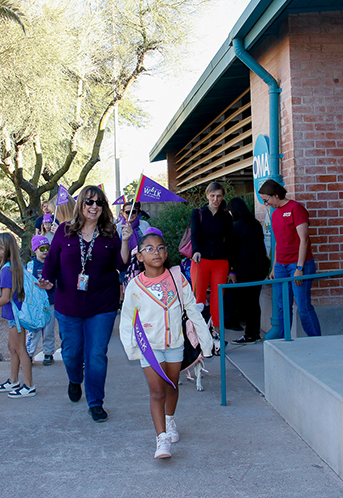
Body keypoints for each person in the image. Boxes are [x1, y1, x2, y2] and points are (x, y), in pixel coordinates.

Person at [39, 185, 131, 423]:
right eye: (89, 202)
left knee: (96, 354)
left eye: (99, 203)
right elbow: (51, 263)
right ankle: (74, 378)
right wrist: (47, 280)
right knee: (71, 353)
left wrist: (126, 241)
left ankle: (95, 402)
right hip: (68, 304)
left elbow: (122, 265)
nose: (94, 207)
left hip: (102, 304)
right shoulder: (64, 231)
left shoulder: (110, 233)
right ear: (80, 205)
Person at [119, 232, 213, 459]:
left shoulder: (178, 278)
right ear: (139, 256)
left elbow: (192, 310)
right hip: (149, 347)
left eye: (160, 248)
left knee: (172, 386)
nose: (156, 252)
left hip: (175, 345)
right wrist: (132, 348)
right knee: (157, 391)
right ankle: (161, 438)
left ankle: (169, 421)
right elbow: (127, 320)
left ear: (166, 252)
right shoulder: (135, 286)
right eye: (149, 249)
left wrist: (206, 342)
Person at [258, 179, 320, 339]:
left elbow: (303, 240)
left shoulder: (296, 209)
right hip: (281, 266)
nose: (266, 204)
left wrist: (299, 268)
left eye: (266, 200)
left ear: (276, 195)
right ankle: (285, 341)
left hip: (298, 265)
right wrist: (274, 267)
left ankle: (316, 340)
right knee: (283, 306)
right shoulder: (275, 213)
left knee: (303, 305)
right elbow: (278, 241)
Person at [0, 233, 36, 398]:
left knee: (19, 348)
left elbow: (5, 297)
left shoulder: (6, 270)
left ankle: (29, 385)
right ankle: (13, 380)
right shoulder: (15, 265)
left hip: (14, 316)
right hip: (17, 313)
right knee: (13, 348)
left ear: (3, 249)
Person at [189, 182, 233, 329]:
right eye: (213, 195)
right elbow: (194, 234)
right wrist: (196, 250)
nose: (215, 199)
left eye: (219, 196)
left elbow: (229, 241)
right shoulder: (198, 213)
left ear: (223, 197)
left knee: (218, 298)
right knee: (198, 297)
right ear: (207, 195)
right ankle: (196, 331)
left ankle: (216, 332)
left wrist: (231, 266)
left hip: (221, 260)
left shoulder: (226, 216)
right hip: (201, 259)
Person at [227, 197, 270, 344]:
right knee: (254, 301)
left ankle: (250, 334)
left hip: (244, 270)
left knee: (246, 303)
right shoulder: (255, 224)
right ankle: (254, 332)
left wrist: (232, 271)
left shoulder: (235, 227)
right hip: (259, 268)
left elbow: (232, 251)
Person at [26, 235, 56, 366]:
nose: (45, 251)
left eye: (47, 248)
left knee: (49, 329)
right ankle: (29, 354)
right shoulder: (30, 266)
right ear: (35, 250)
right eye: (41, 248)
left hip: (51, 301)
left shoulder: (53, 264)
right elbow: (26, 284)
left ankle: (48, 352)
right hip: (36, 304)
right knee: (34, 330)